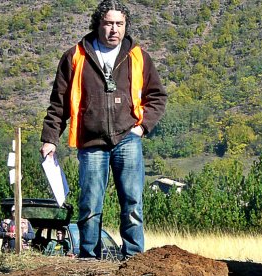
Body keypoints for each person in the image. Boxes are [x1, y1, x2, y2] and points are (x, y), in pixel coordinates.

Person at [40, 0, 167, 259]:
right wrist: (50, 138)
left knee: (132, 203)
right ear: (98, 24)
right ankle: (90, 259)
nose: (114, 30)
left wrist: (142, 128)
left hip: (128, 138)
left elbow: (157, 97)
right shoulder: (75, 56)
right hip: (91, 141)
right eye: (109, 23)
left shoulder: (138, 56)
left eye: (119, 24)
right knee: (90, 205)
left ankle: (133, 259)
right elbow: (59, 103)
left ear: (126, 25)